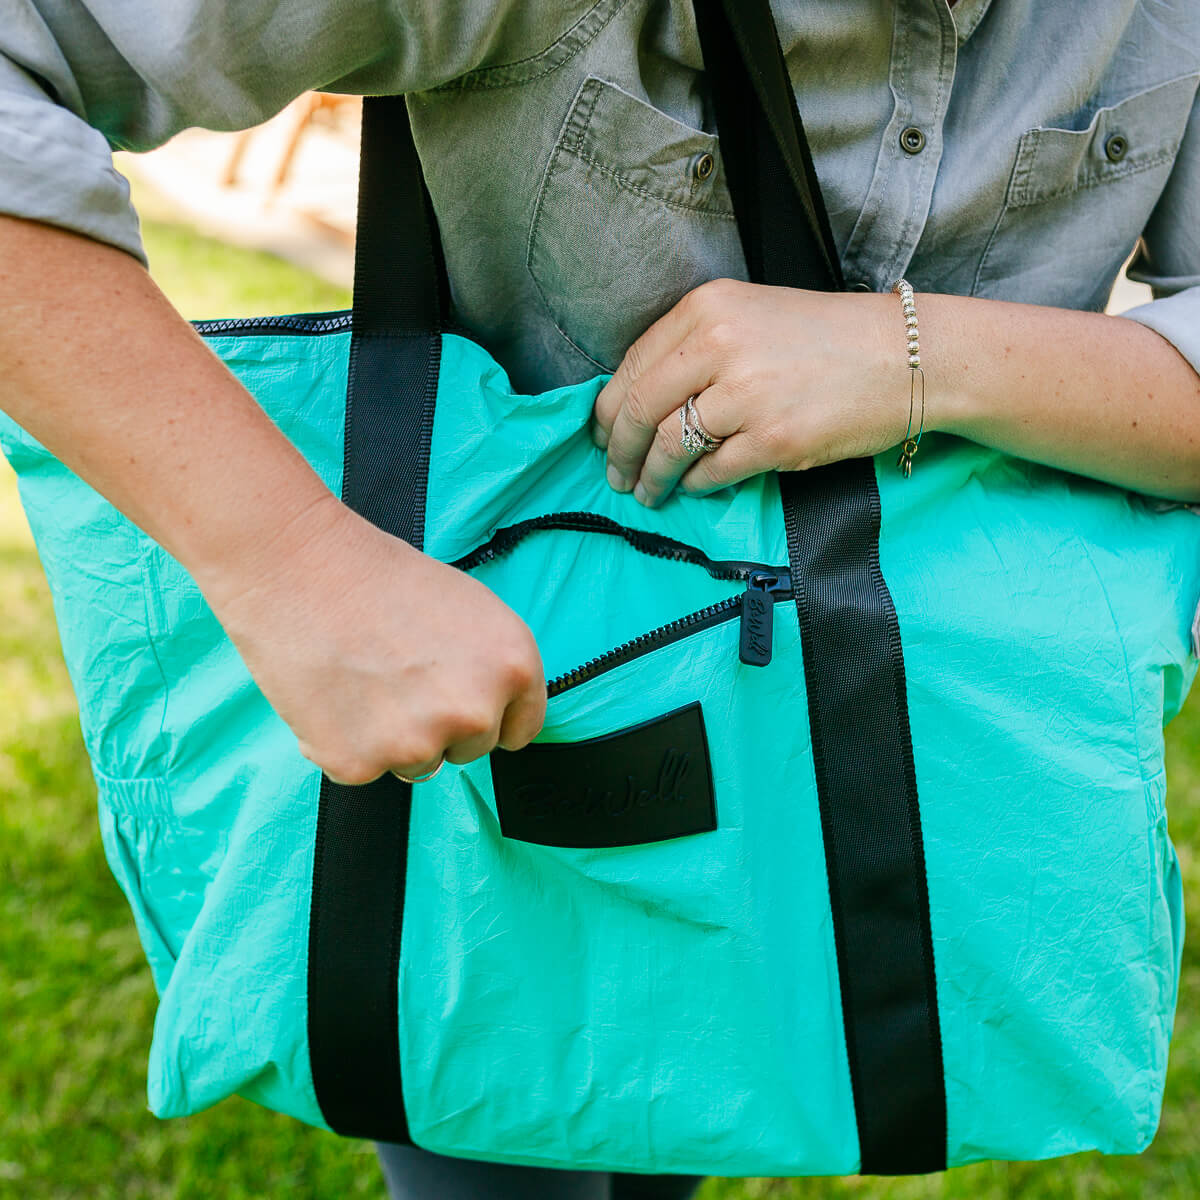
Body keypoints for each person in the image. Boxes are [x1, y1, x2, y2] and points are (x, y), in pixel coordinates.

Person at [1, 0, 1197, 1196]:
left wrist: (915, 356)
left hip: (822, 726)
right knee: (481, 1067)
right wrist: (295, 561)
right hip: (469, 709)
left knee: (674, 1095)